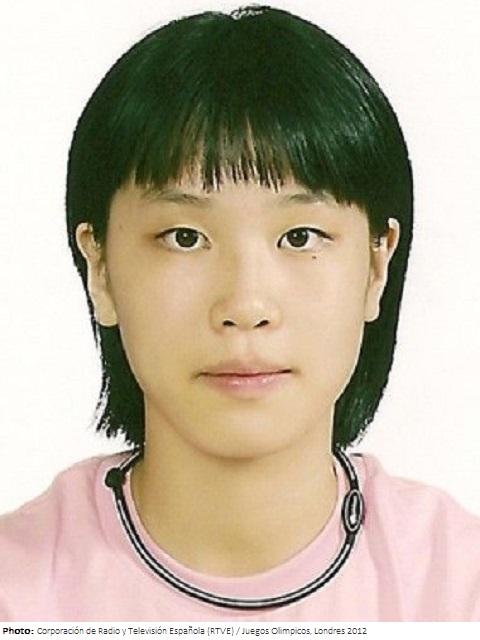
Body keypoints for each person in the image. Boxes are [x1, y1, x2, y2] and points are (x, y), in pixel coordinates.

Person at [0, 4, 479, 622]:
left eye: (300, 237)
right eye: (184, 237)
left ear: (375, 265)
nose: (245, 306)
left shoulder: (457, 587)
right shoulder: (17, 591)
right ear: (101, 268)